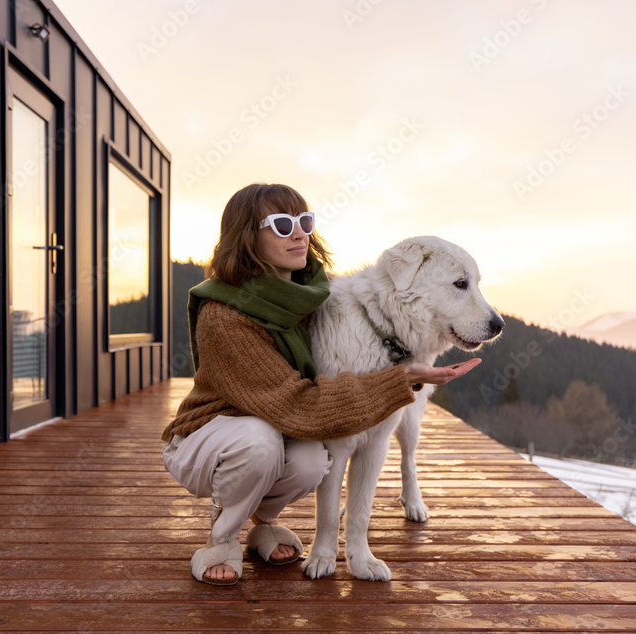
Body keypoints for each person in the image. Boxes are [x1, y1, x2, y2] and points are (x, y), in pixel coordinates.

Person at [161, 183, 480, 585]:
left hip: (271, 429)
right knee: (258, 443)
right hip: (209, 435)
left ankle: (265, 523)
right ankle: (221, 540)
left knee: (313, 459)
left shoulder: (310, 296)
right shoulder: (225, 316)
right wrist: (399, 380)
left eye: (304, 221)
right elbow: (299, 407)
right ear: (245, 236)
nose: (298, 233)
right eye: (281, 224)